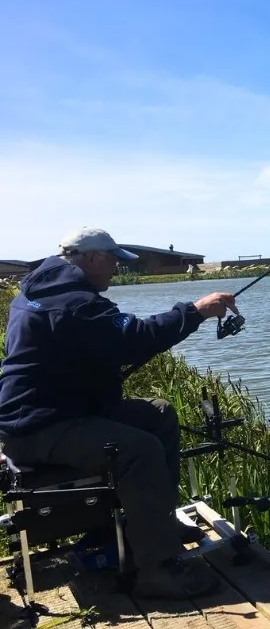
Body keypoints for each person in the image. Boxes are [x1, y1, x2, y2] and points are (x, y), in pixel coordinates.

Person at [0, 227, 238, 599]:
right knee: (138, 449)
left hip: (59, 409)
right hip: (39, 426)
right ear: (92, 258)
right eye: (113, 260)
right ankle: (157, 570)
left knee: (158, 413)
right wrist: (195, 311)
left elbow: (101, 346)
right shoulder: (75, 302)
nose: (117, 269)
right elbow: (134, 337)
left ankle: (152, 527)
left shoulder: (42, 288)